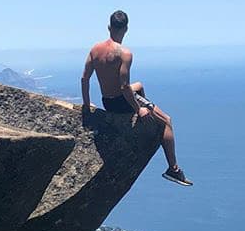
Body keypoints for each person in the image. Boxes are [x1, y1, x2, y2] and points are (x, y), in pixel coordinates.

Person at [81, 10, 193, 186]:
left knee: (139, 85)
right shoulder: (124, 53)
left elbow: (85, 78)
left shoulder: (95, 50)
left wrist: (87, 105)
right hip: (121, 102)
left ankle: (143, 115)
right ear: (126, 29)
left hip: (107, 101)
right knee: (166, 121)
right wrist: (138, 109)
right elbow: (124, 87)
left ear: (109, 27)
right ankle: (174, 169)